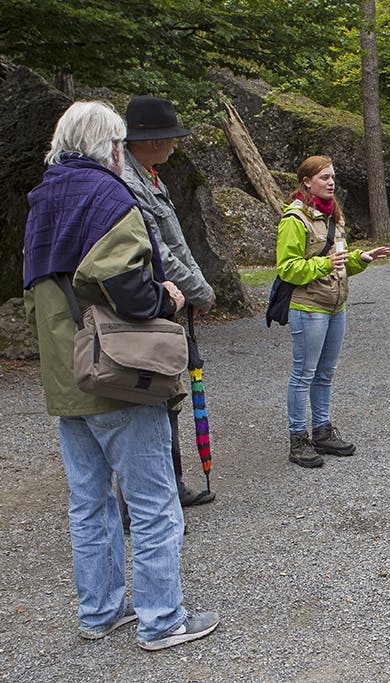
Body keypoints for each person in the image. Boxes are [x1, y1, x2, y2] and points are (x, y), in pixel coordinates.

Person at [22, 101, 219, 650]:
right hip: (118, 375)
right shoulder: (108, 195)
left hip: (68, 375)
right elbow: (126, 288)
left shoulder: (43, 199)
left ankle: (100, 611)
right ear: (110, 145)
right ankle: (163, 619)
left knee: (89, 504)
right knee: (154, 501)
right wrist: (169, 294)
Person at [121, 95, 215, 508]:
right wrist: (199, 290)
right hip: (148, 302)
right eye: (171, 137)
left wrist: (196, 286)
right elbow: (161, 251)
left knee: (170, 392)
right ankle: (147, 497)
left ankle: (170, 487)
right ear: (153, 140)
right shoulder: (127, 181)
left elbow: (178, 244)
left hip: (167, 301)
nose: (176, 145)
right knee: (153, 392)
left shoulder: (151, 176)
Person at [278, 155, 390, 468]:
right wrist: (323, 264)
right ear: (307, 181)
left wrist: (360, 259)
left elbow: (338, 264)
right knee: (304, 375)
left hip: (336, 305)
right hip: (309, 306)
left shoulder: (333, 216)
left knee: (325, 373)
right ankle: (298, 440)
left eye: (332, 177)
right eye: (324, 177)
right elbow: (287, 269)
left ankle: (323, 431)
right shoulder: (294, 219)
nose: (330, 182)